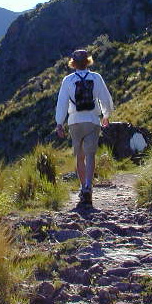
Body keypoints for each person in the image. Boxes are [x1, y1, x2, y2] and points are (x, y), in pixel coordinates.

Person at [55, 49, 114, 206]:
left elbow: (62, 103)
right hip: (92, 120)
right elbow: (105, 99)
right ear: (88, 61)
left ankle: (83, 188)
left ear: (73, 63)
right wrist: (106, 115)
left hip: (74, 121)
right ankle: (88, 186)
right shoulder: (96, 77)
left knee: (79, 156)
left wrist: (59, 122)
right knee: (90, 155)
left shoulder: (68, 80)